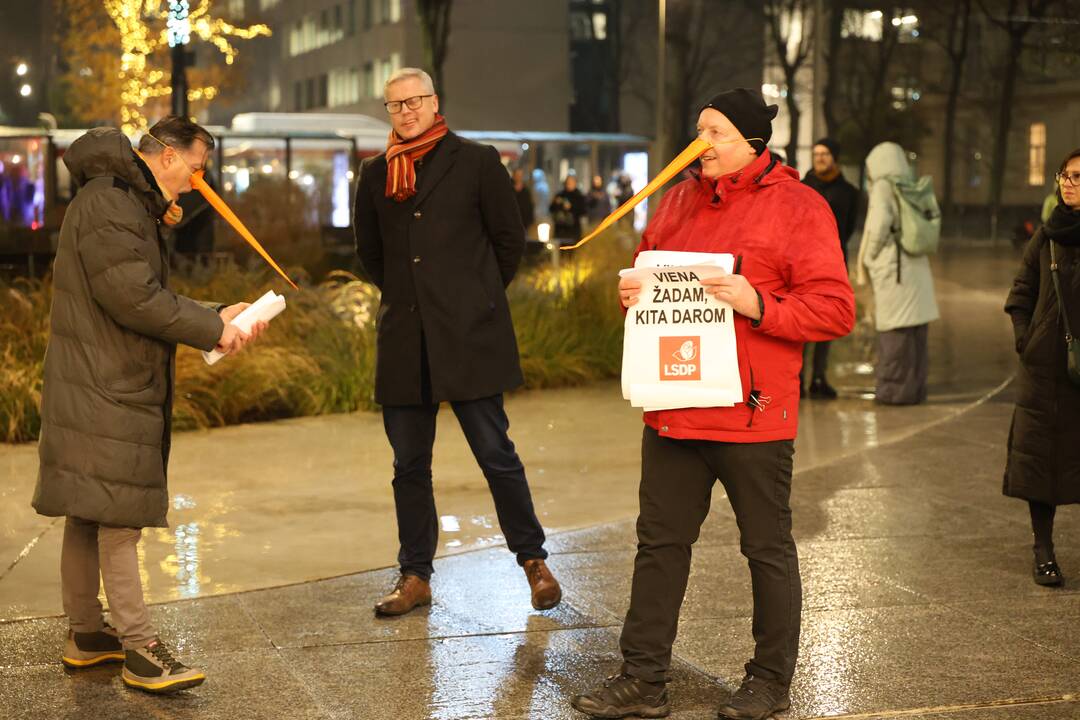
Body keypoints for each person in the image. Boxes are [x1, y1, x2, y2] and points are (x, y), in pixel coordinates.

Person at [571, 88, 855, 720]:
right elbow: (653, 277)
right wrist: (635, 296)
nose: (701, 144)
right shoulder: (673, 201)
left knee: (766, 546)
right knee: (659, 543)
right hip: (674, 403)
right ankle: (643, 679)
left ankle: (769, 681)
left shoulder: (799, 207)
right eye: (698, 130)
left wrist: (758, 302)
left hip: (751, 411)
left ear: (754, 143)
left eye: (716, 133)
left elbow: (836, 309)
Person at [31, 116, 265, 694]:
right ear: (165, 156)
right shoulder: (113, 203)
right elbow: (133, 298)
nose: (197, 179)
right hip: (108, 383)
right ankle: (139, 648)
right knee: (117, 517)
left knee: (89, 509)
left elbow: (139, 291)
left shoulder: (115, 198)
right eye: (196, 165)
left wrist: (216, 315)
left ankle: (87, 635)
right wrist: (210, 328)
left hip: (100, 376)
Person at [353, 68, 561, 616]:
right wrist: (410, 295)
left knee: (496, 454)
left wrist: (477, 297)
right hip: (405, 337)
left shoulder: (475, 160)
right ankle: (414, 576)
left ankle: (533, 560)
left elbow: (508, 241)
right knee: (409, 466)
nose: (405, 111)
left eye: (414, 101)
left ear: (434, 102)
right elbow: (371, 255)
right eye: (395, 105)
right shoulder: (375, 174)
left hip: (470, 335)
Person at [1004, 148, 1080, 587]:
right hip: (1044, 369)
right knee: (1041, 461)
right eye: (1064, 176)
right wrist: (1025, 338)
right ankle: (1043, 549)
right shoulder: (1048, 235)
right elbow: (1021, 292)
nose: (1068, 183)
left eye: (1077, 176)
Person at [856, 141, 939, 405]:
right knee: (915, 338)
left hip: (894, 273)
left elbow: (878, 227)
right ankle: (915, 390)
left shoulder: (883, 188)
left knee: (893, 336)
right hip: (914, 271)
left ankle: (893, 392)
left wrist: (869, 258)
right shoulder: (909, 187)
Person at [801, 137, 860, 399]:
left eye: (825, 154)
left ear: (834, 157)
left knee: (826, 321)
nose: (820, 159)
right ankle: (798, 379)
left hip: (832, 262)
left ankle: (819, 377)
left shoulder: (849, 192)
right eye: (816, 154)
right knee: (800, 321)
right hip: (802, 262)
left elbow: (846, 229)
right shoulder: (802, 187)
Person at [550, 174, 587, 243]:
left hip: (573, 230)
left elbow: (583, 211)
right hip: (560, 229)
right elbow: (551, 209)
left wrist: (571, 207)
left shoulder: (579, 196)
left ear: (575, 183)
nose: (569, 184)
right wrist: (556, 203)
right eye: (567, 182)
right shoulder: (560, 195)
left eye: (571, 182)